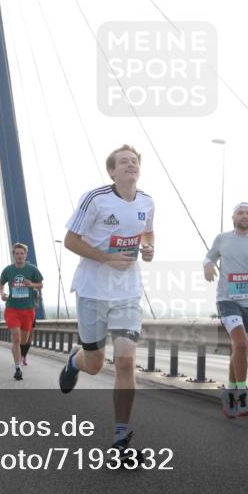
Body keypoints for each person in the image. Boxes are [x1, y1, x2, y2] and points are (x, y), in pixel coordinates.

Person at [58, 144, 155, 452]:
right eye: (123, 162)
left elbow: (148, 234)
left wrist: (149, 248)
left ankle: (120, 438)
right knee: (96, 364)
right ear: (112, 171)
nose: (130, 165)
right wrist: (107, 257)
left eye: (134, 161)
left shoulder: (148, 202)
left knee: (126, 362)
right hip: (92, 291)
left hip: (127, 293)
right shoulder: (95, 199)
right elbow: (71, 240)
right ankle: (76, 361)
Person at [204, 202, 248, 418]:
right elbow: (210, 256)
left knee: (239, 350)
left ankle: (229, 392)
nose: (244, 216)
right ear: (233, 217)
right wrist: (207, 265)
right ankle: (242, 393)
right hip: (227, 300)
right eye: (240, 212)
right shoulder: (223, 238)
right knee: (241, 344)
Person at [0, 244, 43, 380]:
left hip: (28, 310)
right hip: (12, 308)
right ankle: (17, 368)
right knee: (16, 338)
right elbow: (1, 285)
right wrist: (2, 293)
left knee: (24, 339)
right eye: (17, 253)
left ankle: (21, 355)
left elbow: (41, 284)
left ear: (25, 255)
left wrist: (32, 284)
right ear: (14, 255)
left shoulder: (32, 269)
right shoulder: (8, 270)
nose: (19, 256)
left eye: (21, 253)